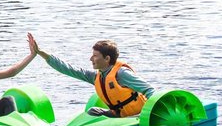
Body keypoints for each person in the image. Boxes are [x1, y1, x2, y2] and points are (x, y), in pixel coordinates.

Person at [27, 34, 155, 117]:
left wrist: (146, 115)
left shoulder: (122, 74)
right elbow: (69, 69)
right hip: (119, 115)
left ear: (107, 58)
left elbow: (150, 90)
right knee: (93, 111)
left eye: (95, 56)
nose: (90, 59)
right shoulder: (96, 76)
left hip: (138, 116)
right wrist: (40, 52)